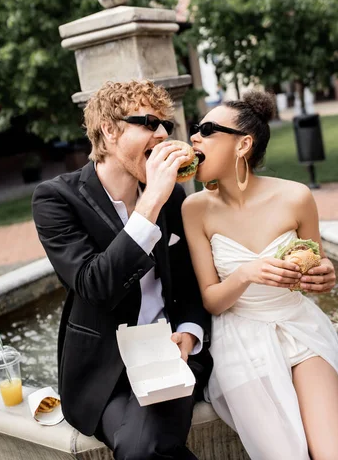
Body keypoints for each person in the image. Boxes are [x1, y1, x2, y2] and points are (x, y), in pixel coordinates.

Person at [182, 90, 338, 460]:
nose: (193, 137)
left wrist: (323, 277)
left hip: (300, 328)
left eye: (206, 129)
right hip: (241, 339)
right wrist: (246, 274)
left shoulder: (296, 197)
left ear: (243, 144)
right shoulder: (195, 209)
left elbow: (317, 269)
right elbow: (211, 300)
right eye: (195, 129)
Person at [32, 79, 212, 460]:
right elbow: (94, 285)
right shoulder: (55, 200)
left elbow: (188, 284)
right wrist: (151, 204)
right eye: (148, 122)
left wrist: (190, 332)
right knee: (143, 448)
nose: (163, 133)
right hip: (103, 368)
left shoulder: (173, 195)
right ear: (109, 131)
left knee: (141, 448)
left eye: (167, 125)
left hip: (171, 354)